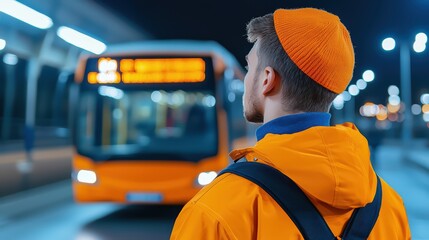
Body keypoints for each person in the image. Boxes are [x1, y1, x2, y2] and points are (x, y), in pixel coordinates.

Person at [170, 8, 411, 239]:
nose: (245, 80)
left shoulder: (215, 211)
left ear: (267, 79)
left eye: (249, 67)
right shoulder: (390, 207)